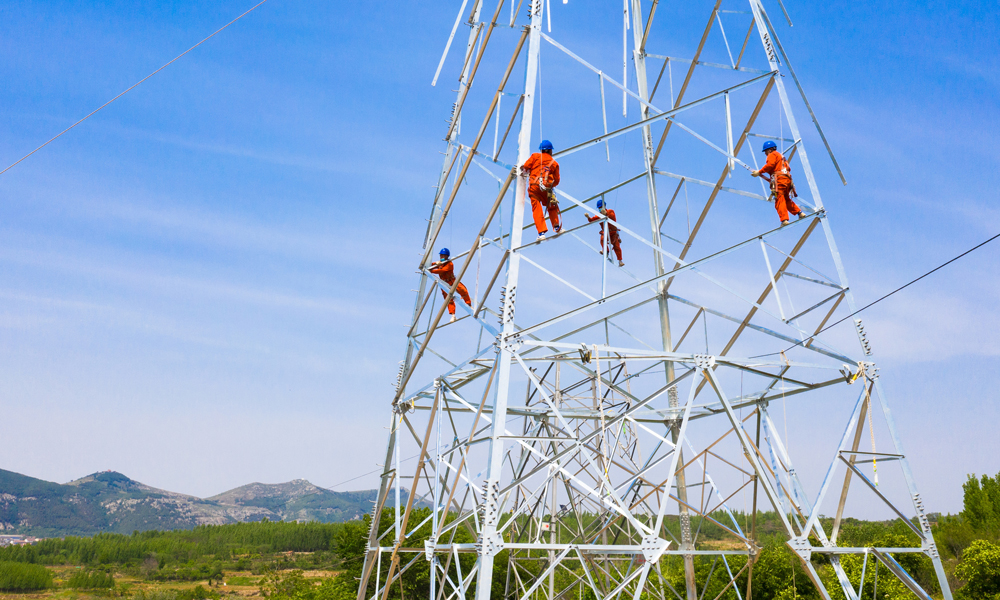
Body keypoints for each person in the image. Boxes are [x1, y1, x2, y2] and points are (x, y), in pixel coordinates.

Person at [751, 140, 806, 225]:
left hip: (780, 180)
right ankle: (800, 213)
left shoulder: (772, 154)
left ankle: (784, 220)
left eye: (765, 151)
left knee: (779, 200)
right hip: (787, 180)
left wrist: (759, 172)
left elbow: (770, 165)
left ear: (770, 150)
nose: (765, 153)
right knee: (786, 199)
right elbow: (788, 168)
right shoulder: (781, 156)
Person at [520, 140, 561, 242]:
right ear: (550, 151)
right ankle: (556, 227)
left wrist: (526, 170)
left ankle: (541, 233)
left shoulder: (535, 156)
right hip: (547, 188)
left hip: (534, 187)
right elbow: (556, 181)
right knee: (552, 206)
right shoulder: (554, 163)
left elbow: (526, 166)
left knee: (537, 209)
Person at [429, 248, 472, 323]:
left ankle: (469, 305)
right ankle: (453, 315)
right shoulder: (440, 264)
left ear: (446, 256)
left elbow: (442, 270)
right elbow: (430, 265)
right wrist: (435, 263)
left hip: (452, 281)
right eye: (441, 255)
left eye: (443, 255)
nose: (441, 256)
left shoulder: (449, 264)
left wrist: (432, 270)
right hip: (445, 283)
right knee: (448, 299)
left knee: (463, 290)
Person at [587, 199, 624, 267]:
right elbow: (592, 220)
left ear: (604, 206)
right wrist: (588, 217)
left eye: (601, 207)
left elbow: (612, 216)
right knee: (602, 239)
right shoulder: (598, 215)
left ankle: (620, 261)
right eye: (599, 208)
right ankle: (606, 252)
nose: (600, 209)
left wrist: (606, 214)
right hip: (606, 232)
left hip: (613, 232)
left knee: (616, 246)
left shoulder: (610, 211)